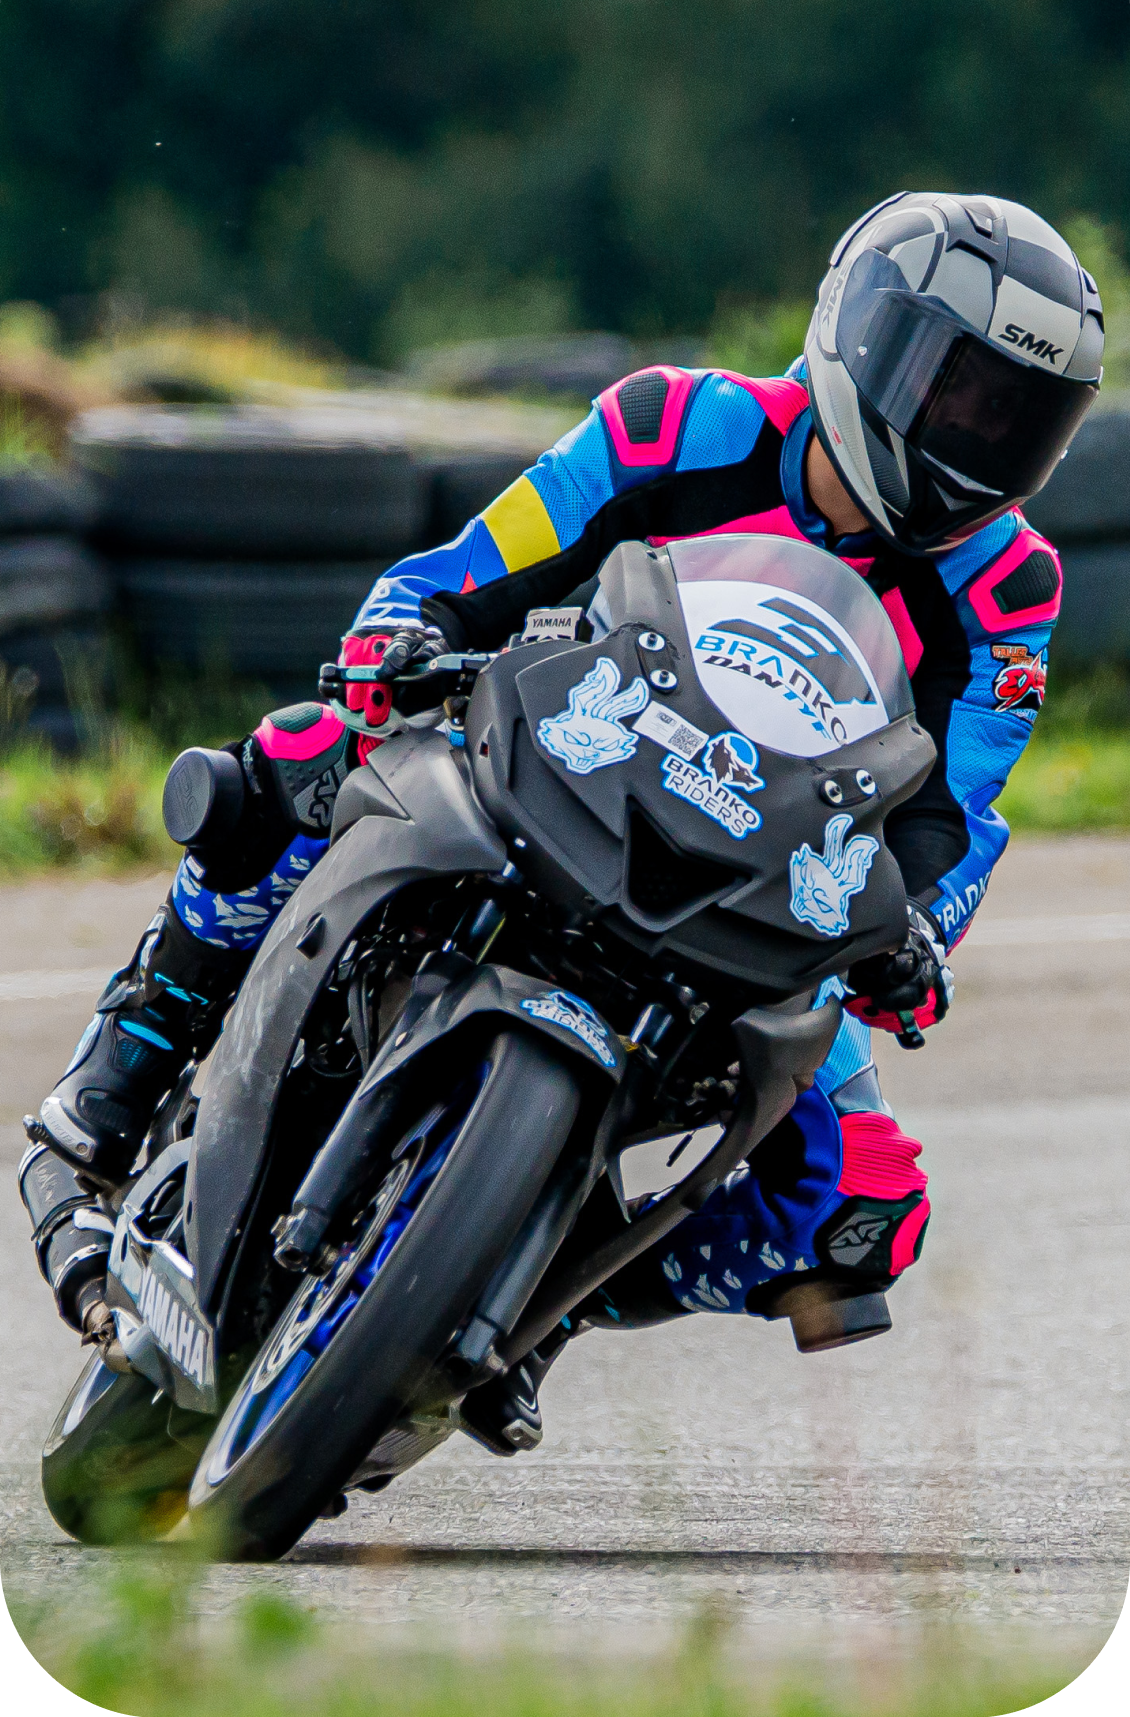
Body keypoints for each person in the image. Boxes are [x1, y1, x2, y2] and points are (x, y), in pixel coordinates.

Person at [29, 192, 1102, 1444]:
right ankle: (115, 1080)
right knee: (294, 756)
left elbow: (957, 809)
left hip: (768, 884)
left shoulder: (1008, 582)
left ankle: (543, 1302)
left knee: (863, 1211)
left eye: (1016, 421)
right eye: (956, 391)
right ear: (859, 337)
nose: (974, 440)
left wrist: (912, 933)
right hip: (566, 759)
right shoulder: (671, 423)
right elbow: (472, 569)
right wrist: (401, 640)